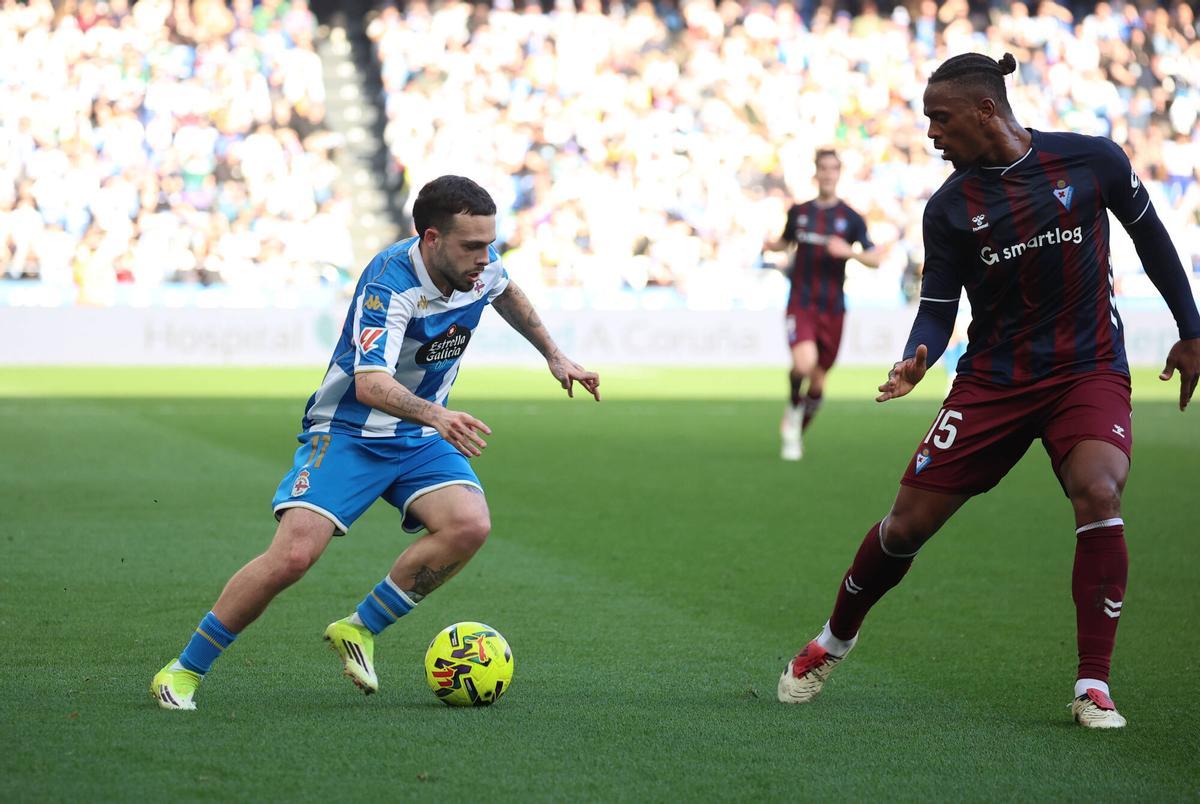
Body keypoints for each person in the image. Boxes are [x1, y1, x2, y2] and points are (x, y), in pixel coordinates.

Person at [776, 53, 1200, 728]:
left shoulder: (1093, 161)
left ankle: (1093, 684)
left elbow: (1151, 237)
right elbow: (939, 306)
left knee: (1099, 490)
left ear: (985, 111)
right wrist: (921, 353)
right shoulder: (948, 209)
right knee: (905, 526)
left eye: (940, 120)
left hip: (1086, 369)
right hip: (994, 382)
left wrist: (1191, 326)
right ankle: (833, 639)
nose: (932, 135)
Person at [151, 175, 600, 711]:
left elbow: (507, 291)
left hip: (417, 434)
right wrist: (437, 414)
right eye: (472, 246)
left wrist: (552, 352)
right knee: (294, 556)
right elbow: (371, 384)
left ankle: (358, 628)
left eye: (489, 243)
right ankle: (183, 671)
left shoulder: (482, 267)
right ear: (431, 239)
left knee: (469, 525)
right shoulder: (391, 285)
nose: (486, 257)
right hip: (348, 431)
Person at [765, 149, 884, 460]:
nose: (828, 174)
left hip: (833, 307)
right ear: (816, 173)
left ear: (839, 173)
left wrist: (850, 252)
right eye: (823, 169)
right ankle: (793, 408)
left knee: (818, 379)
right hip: (801, 302)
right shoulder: (800, 212)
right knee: (803, 364)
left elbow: (875, 258)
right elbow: (784, 241)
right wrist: (770, 244)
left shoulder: (851, 218)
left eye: (833, 169)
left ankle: (795, 430)